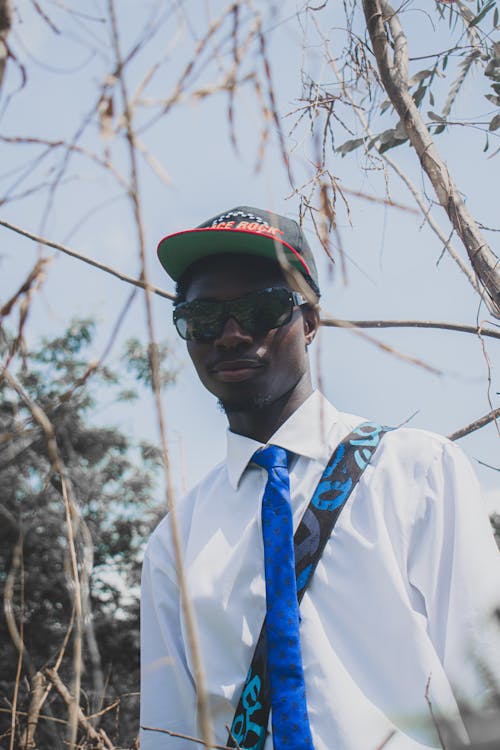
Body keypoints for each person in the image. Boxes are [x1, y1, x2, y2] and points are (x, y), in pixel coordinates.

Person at [140, 206, 500, 750]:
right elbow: (171, 733)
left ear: (309, 322)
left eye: (262, 308)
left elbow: (487, 686)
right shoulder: (175, 541)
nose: (232, 335)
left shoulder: (417, 471)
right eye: (204, 318)